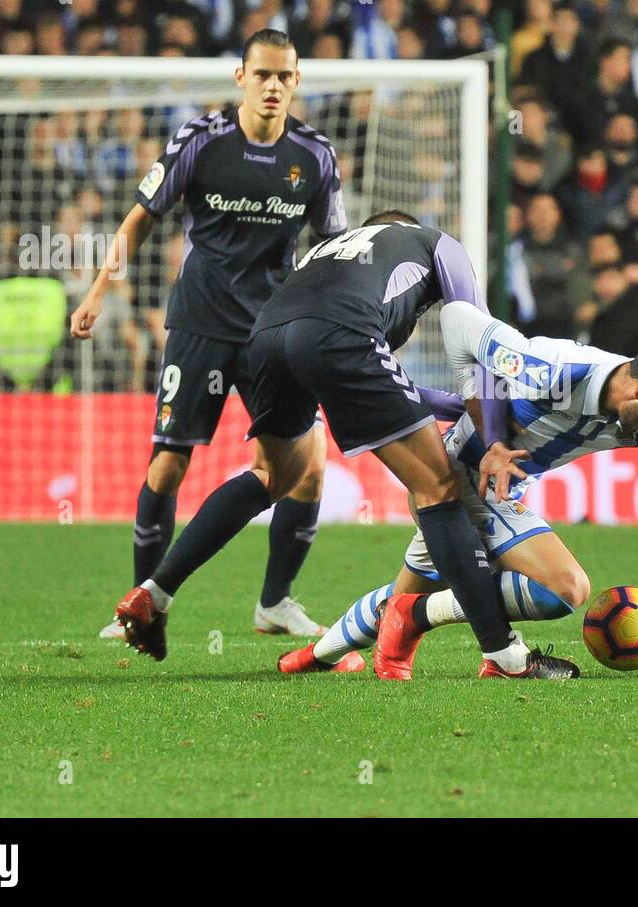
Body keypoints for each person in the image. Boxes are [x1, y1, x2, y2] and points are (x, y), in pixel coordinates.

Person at [279, 303, 638, 680]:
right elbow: (458, 317)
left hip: (491, 495)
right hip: (457, 479)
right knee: (566, 587)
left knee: (404, 598)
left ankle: (312, 656)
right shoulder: (552, 368)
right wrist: (484, 431)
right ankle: (445, 633)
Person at [113, 213, 580, 681]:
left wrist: (446, 404)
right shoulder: (439, 245)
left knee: (273, 476)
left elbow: (366, 369)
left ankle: (154, 593)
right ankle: (504, 655)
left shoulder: (327, 253)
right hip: (339, 334)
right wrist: (494, 438)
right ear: (401, 227)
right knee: (438, 488)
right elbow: (480, 348)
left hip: (267, 338)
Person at [70, 29, 346, 640]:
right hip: (200, 323)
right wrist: (97, 291)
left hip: (274, 331)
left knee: (308, 466)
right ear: (241, 78)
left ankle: (275, 602)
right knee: (169, 465)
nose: (273, 86)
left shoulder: (315, 156)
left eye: (284, 77)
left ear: (296, 82)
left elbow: (331, 248)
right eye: (263, 75)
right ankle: (142, 603)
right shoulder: (201, 141)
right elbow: (141, 217)